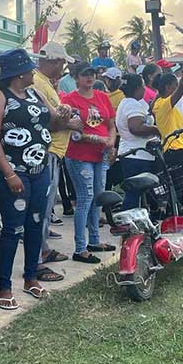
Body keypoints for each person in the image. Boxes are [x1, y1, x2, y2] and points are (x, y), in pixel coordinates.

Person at [0, 48, 72, 309]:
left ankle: (31, 277)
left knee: (35, 223)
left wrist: (63, 114)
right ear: (18, 73)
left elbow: (53, 123)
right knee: (13, 229)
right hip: (13, 171)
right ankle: (4, 286)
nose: (34, 71)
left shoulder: (35, 93)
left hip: (39, 169)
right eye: (29, 69)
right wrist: (9, 173)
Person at [32, 42, 83, 281]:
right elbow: (45, 120)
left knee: (46, 207)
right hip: (47, 150)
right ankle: (37, 259)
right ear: (53, 61)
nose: (63, 68)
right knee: (41, 208)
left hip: (54, 151)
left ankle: (43, 249)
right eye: (62, 62)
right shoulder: (37, 83)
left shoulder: (45, 83)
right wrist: (71, 123)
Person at [61, 63, 117, 264]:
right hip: (80, 154)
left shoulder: (102, 97)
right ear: (76, 77)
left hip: (100, 154)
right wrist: (97, 138)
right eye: (85, 74)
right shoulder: (69, 100)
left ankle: (94, 240)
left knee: (97, 197)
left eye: (92, 74)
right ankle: (80, 247)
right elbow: (73, 132)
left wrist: (111, 142)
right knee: (85, 198)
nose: (89, 77)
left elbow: (111, 125)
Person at [115, 74, 160, 210]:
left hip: (133, 154)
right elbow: (136, 128)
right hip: (136, 155)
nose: (145, 89)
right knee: (134, 194)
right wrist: (156, 129)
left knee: (138, 194)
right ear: (137, 88)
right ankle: (128, 219)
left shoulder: (128, 102)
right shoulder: (132, 104)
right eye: (143, 86)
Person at [152, 40, 183, 169]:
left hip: (178, 149)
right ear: (168, 87)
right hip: (175, 150)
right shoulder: (164, 104)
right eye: (175, 85)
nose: (177, 88)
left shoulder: (160, 103)